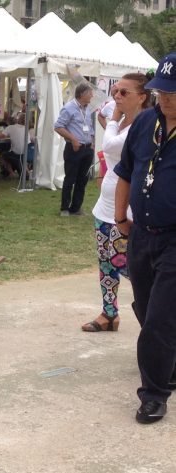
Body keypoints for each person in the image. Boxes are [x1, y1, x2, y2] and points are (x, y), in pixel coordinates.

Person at [114, 53, 176, 424]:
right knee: (145, 306)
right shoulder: (145, 122)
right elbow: (125, 171)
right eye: (160, 91)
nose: (164, 98)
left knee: (160, 318)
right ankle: (169, 364)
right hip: (141, 233)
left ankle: (153, 394)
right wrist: (120, 218)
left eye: (172, 92)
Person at [84, 73, 151, 333]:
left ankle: (153, 319)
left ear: (142, 98)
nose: (117, 96)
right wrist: (111, 117)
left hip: (128, 210)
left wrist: (112, 119)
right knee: (106, 264)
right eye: (115, 91)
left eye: (124, 92)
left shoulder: (143, 127)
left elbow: (110, 146)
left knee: (130, 267)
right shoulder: (123, 122)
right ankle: (109, 313)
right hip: (105, 206)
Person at [55, 83, 95, 217]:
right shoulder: (68, 108)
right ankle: (64, 208)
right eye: (90, 93)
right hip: (74, 148)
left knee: (82, 180)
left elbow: (89, 126)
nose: (92, 96)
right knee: (70, 178)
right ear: (82, 94)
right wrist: (73, 139)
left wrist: (92, 141)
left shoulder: (87, 108)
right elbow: (58, 126)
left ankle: (76, 208)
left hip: (87, 148)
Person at [0, 113, 32, 178]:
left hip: (16, 153)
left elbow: (0, 136)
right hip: (25, 154)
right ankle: (25, 170)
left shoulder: (10, 127)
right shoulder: (26, 129)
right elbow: (28, 142)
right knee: (11, 155)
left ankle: (11, 173)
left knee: (3, 155)